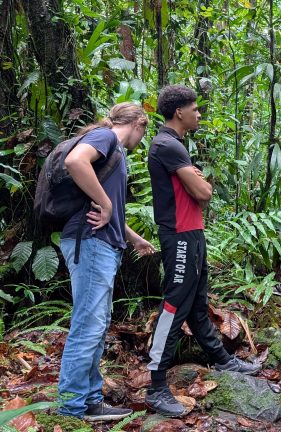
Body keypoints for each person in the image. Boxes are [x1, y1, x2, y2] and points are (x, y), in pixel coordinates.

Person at [145, 85, 260, 417]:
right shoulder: (167, 145)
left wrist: (198, 183)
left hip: (192, 232)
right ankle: (156, 386)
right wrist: (198, 182)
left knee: (196, 303)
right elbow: (204, 193)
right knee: (174, 306)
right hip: (179, 235)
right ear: (179, 112)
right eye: (194, 109)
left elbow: (201, 194)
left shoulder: (175, 144)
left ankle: (222, 360)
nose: (198, 114)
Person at [58, 103, 154, 421]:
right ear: (138, 123)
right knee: (88, 326)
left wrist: (134, 238)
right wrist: (105, 202)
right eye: (145, 130)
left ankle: (89, 401)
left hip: (102, 244)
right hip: (90, 242)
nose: (143, 137)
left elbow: (110, 209)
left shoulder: (113, 150)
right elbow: (75, 161)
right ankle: (71, 408)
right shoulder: (107, 137)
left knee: (96, 326)